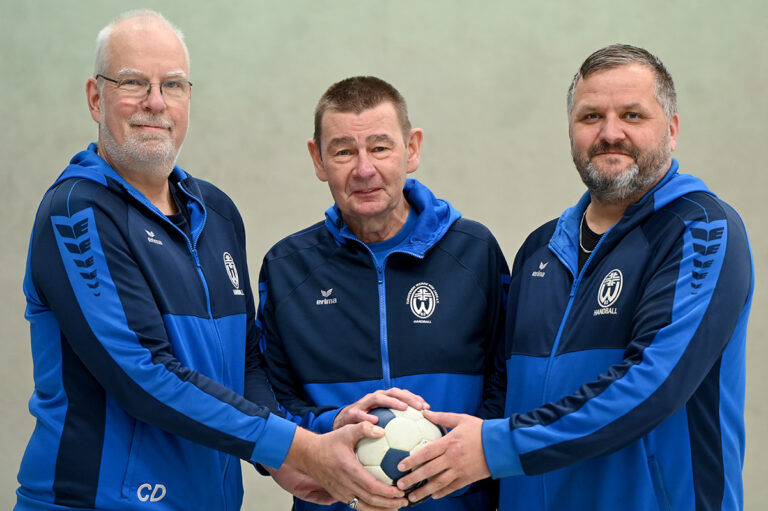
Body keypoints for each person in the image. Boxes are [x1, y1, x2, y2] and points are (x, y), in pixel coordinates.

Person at [16, 10, 408, 511]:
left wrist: (292, 451)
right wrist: (302, 448)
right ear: (96, 97)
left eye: (172, 85)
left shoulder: (217, 213)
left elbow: (243, 364)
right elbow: (143, 375)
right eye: (134, 82)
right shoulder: (76, 212)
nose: (155, 103)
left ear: (188, 98)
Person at [396, 44, 754, 510]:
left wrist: (495, 447)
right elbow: (502, 396)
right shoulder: (538, 250)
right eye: (590, 117)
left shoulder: (701, 229)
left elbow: (653, 384)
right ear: (570, 130)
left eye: (632, 115)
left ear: (671, 129)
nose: (610, 133)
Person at [257, 76, 509, 510]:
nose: (363, 169)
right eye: (343, 151)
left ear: (411, 149)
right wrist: (330, 427)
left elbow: (509, 380)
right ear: (318, 160)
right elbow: (268, 398)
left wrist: (460, 459)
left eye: (379, 147)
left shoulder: (474, 251)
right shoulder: (287, 268)